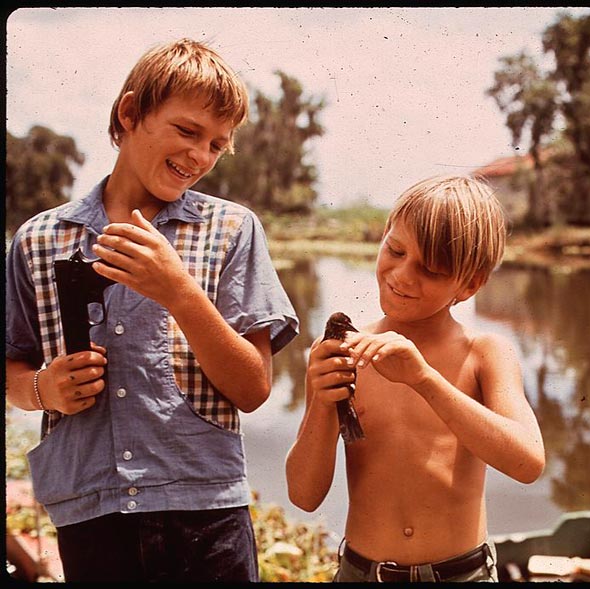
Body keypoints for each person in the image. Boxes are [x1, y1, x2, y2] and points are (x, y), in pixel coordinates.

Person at [5, 38, 298, 582]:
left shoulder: (232, 230)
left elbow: (255, 388)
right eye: (187, 131)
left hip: (206, 513)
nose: (199, 156)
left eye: (217, 145)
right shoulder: (37, 240)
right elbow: (12, 373)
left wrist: (180, 292)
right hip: (89, 511)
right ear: (130, 112)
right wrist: (45, 389)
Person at [285, 175, 545, 582]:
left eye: (430, 269)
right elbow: (303, 495)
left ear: (470, 284)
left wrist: (424, 379)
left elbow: (528, 462)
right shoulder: (343, 351)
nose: (403, 275)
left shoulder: (484, 353)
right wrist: (321, 400)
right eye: (395, 250)